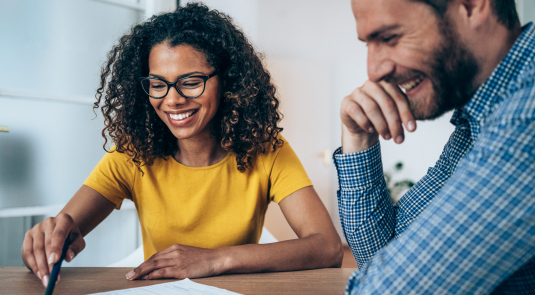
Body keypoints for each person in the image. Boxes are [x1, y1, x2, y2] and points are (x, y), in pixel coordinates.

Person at [21, 3, 343, 288]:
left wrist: (215, 260)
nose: (172, 100)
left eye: (191, 82)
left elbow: (327, 247)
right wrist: (44, 242)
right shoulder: (132, 153)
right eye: (158, 84)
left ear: (226, 80)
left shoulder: (266, 149)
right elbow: (64, 230)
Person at [336, 0, 535, 293]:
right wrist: (358, 138)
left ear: (473, 5)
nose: (374, 71)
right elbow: (382, 256)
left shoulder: (525, 117)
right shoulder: (478, 120)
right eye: (368, 43)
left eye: (390, 38)